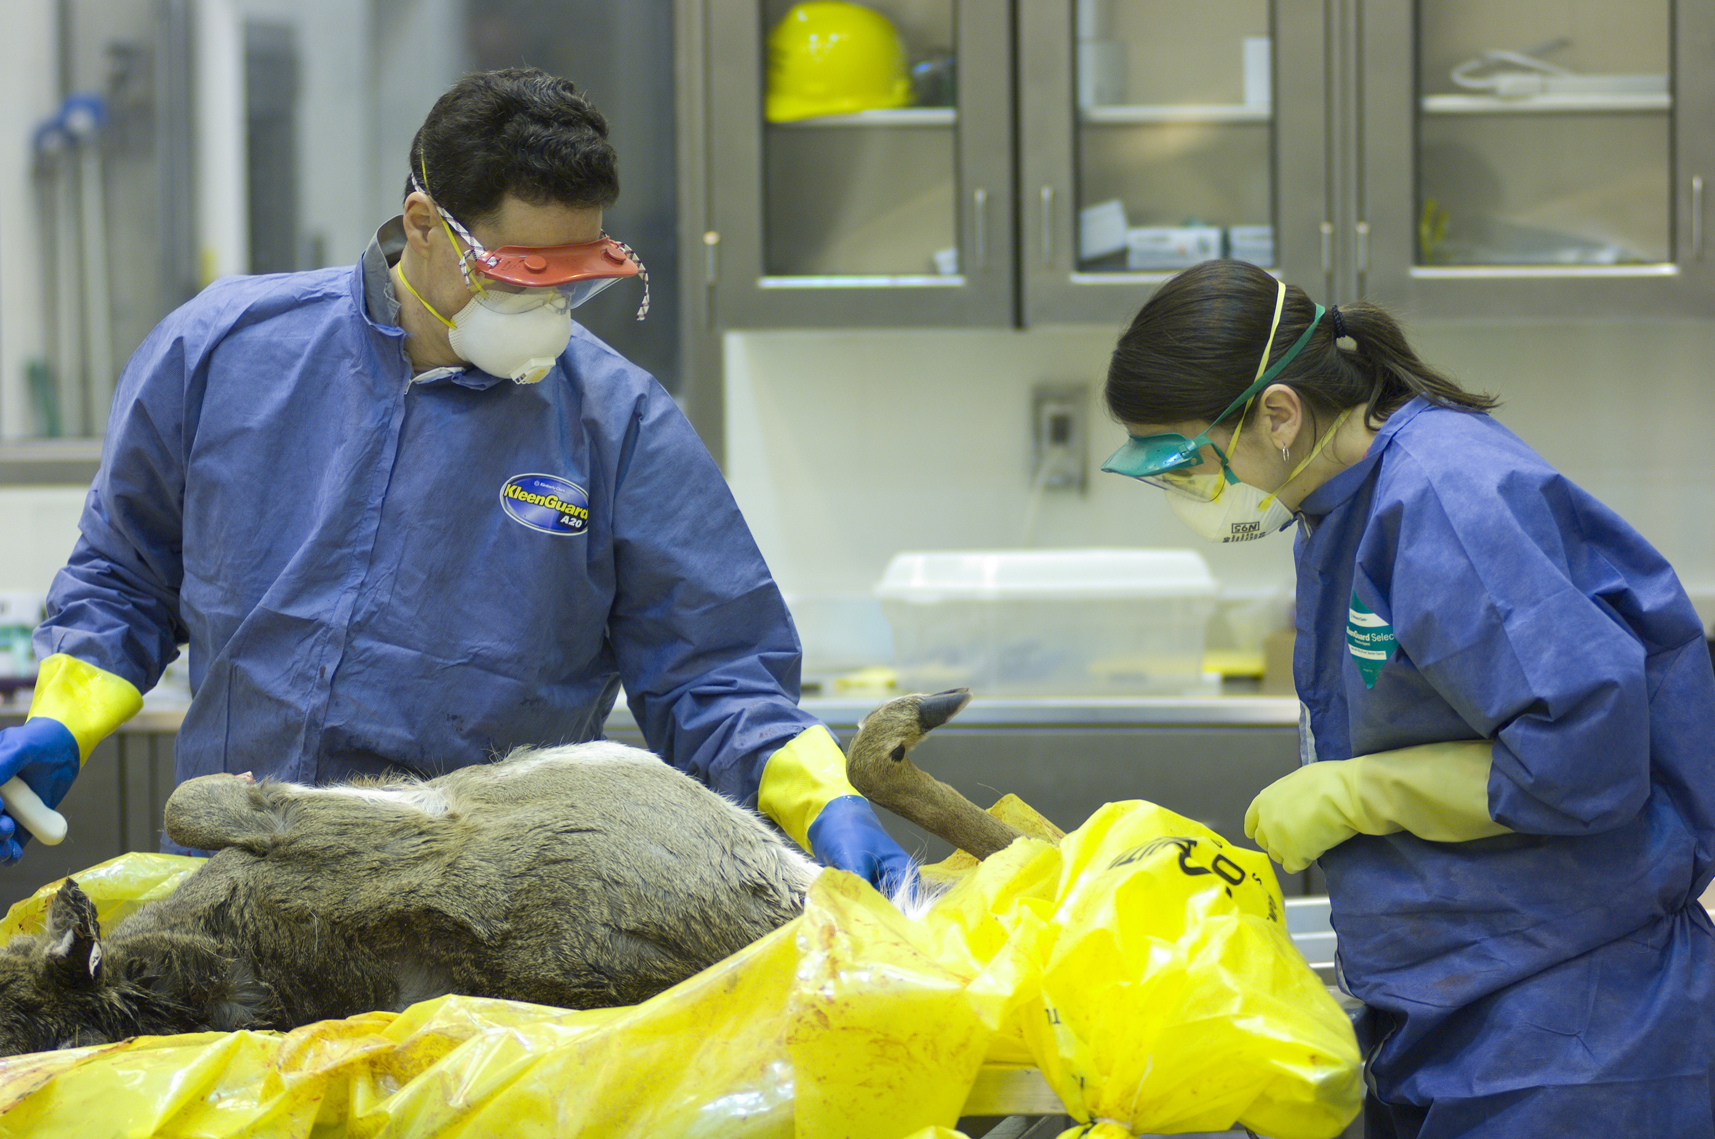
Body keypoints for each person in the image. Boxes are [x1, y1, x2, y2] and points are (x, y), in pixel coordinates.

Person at [0, 68, 914, 896]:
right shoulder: (226, 353)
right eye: (519, 279)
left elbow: (713, 672)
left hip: (484, 921)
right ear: (425, 225)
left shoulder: (614, 424)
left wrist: (822, 802)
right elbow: (127, 577)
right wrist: (62, 721)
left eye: (573, 282)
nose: (546, 313)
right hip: (235, 887)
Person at [1099, 258, 1715, 1137]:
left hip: (1571, 1030)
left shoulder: (1445, 497)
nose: (1188, 493)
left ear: (1278, 413)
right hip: (1465, 1002)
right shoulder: (1342, 500)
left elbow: (1582, 756)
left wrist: (1361, 792)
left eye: (1187, 462)